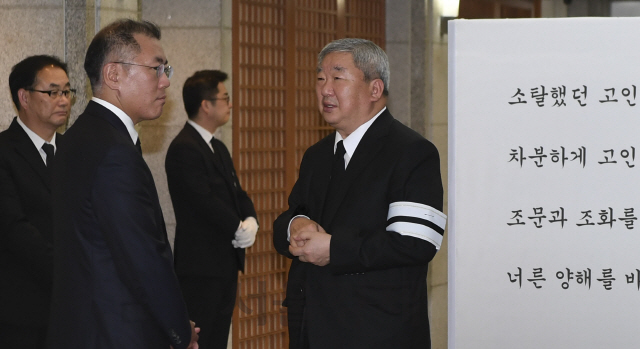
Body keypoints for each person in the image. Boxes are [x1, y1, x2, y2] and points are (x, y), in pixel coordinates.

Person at [273, 38, 447, 349]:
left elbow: (416, 243)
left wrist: (334, 249)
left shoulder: (411, 152)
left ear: (375, 89)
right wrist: (294, 224)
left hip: (377, 331)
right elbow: (292, 212)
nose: (325, 89)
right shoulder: (318, 155)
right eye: (320, 78)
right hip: (311, 327)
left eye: (338, 78)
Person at [47, 19, 198, 349]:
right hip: (117, 333)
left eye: (166, 70)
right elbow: (143, 257)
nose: (165, 83)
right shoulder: (114, 151)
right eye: (156, 69)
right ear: (114, 74)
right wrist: (179, 330)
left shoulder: (77, 138)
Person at [165, 70, 258, 349]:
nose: (230, 104)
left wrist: (251, 219)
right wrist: (236, 226)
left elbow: (236, 192)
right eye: (225, 98)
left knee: (218, 339)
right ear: (206, 105)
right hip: (200, 268)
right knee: (200, 340)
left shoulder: (217, 146)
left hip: (224, 263)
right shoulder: (184, 148)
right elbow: (202, 201)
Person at [0, 55, 72, 349]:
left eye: (67, 91)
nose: (64, 100)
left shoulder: (74, 152)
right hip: (21, 310)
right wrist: (70, 273)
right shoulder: (4, 153)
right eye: (53, 92)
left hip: (72, 310)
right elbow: (15, 228)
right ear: (24, 97)